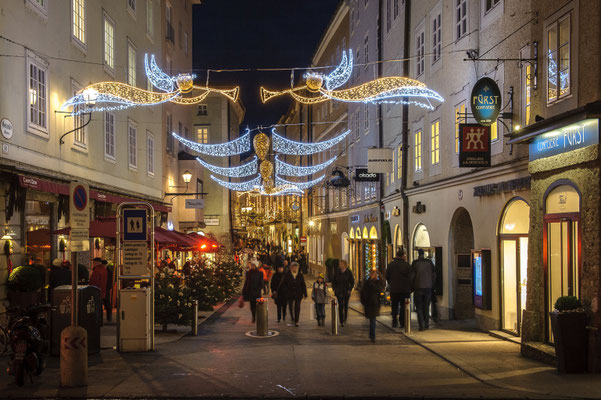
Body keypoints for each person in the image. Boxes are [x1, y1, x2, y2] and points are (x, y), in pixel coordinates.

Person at [386, 247, 415, 328]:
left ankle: (394, 320)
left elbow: (387, 276)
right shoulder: (407, 265)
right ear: (403, 256)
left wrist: (391, 284)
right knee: (403, 306)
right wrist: (410, 287)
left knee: (394, 305)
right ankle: (402, 322)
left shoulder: (391, 265)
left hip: (394, 289)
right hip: (405, 290)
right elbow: (411, 277)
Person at [411, 249, 436, 331]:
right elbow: (434, 274)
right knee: (426, 306)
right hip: (428, 287)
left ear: (418, 254)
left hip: (418, 287)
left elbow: (412, 276)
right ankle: (426, 324)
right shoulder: (429, 263)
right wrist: (432, 285)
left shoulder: (415, 263)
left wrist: (412, 287)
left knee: (419, 307)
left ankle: (421, 325)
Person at [278, 261, 307, 327]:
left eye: (296, 268)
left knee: (297, 307)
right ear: (291, 268)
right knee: (290, 306)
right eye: (293, 267)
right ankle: (292, 316)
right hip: (290, 293)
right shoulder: (287, 275)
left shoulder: (300, 275)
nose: (295, 269)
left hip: (298, 293)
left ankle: (296, 320)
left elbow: (303, 284)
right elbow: (283, 284)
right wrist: (285, 291)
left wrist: (305, 294)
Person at [361, 269, 385, 342]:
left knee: (372, 320)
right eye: (372, 274)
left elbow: (382, 285)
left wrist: (379, 273)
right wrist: (363, 301)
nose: (373, 275)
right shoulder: (367, 283)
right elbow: (362, 292)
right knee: (371, 320)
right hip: (369, 303)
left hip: (374, 303)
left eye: (374, 274)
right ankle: (372, 335)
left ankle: (372, 336)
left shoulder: (377, 283)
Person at [332, 259, 354, 327]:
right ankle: (341, 321)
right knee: (340, 306)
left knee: (345, 306)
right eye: (339, 264)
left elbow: (352, 282)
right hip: (339, 291)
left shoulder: (348, 272)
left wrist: (350, 289)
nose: (340, 265)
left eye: (341, 264)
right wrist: (334, 289)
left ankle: (345, 318)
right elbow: (333, 280)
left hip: (346, 291)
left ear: (344, 264)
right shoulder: (337, 271)